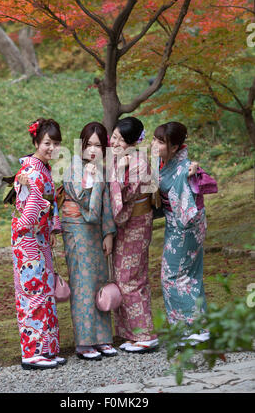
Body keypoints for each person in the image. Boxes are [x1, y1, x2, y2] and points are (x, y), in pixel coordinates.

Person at [11, 117, 67, 369]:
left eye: (56, 143)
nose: (52, 148)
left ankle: (47, 349)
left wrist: (52, 227)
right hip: (28, 240)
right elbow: (29, 211)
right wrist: (44, 214)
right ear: (35, 142)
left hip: (40, 237)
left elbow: (48, 202)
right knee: (32, 293)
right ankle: (32, 353)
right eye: (47, 143)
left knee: (45, 293)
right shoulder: (29, 171)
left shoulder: (43, 169)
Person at [61, 122, 117, 361]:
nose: (92, 150)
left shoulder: (99, 169)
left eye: (98, 145)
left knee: (98, 281)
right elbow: (83, 198)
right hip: (77, 227)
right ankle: (85, 342)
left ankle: (103, 337)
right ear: (81, 145)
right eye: (88, 144)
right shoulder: (73, 166)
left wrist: (108, 234)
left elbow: (104, 207)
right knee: (83, 282)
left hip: (95, 230)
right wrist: (91, 181)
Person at [151, 121, 209, 344]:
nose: (155, 145)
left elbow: (185, 202)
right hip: (183, 223)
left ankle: (191, 329)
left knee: (173, 276)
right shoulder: (169, 162)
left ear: (175, 147)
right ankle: (198, 328)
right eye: (155, 139)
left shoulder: (184, 168)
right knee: (192, 276)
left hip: (185, 225)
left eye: (160, 141)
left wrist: (190, 172)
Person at [109, 116, 158, 354]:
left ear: (130, 142)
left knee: (130, 279)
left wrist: (117, 171)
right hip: (128, 225)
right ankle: (131, 333)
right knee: (124, 277)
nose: (113, 142)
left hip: (136, 223)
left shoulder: (137, 162)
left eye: (119, 139)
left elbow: (125, 196)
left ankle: (145, 335)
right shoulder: (123, 159)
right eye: (114, 136)